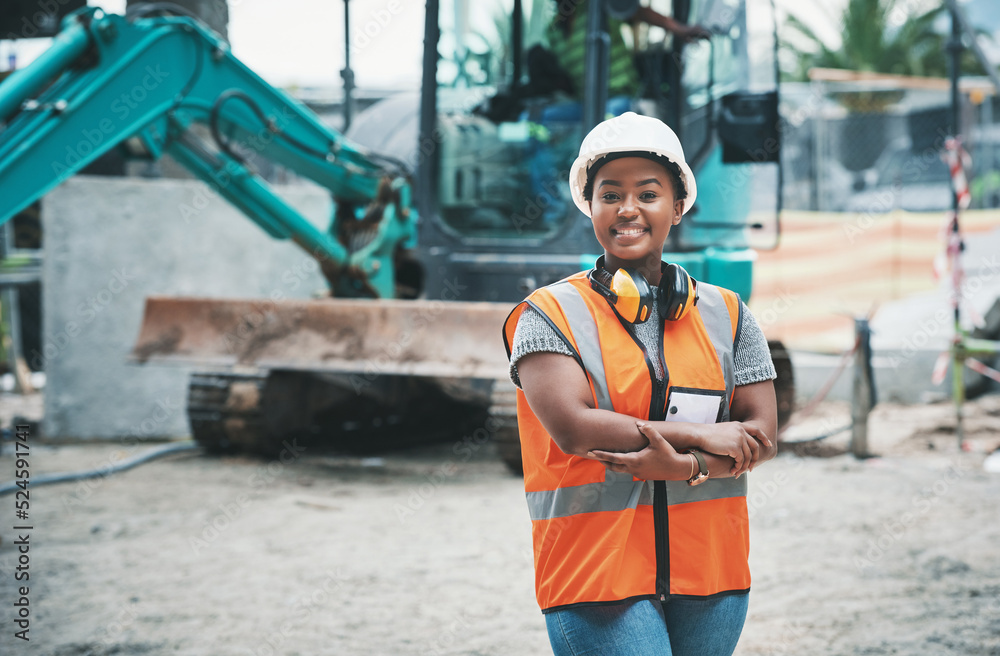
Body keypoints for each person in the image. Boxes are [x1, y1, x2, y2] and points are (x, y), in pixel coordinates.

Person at [502, 111, 778, 656]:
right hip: (596, 575)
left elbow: (762, 433)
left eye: (647, 193)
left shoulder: (728, 313)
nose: (627, 209)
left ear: (678, 206)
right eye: (610, 195)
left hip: (712, 575)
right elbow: (576, 430)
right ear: (591, 208)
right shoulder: (549, 314)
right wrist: (701, 439)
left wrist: (687, 470)